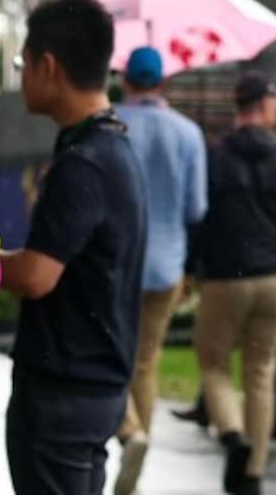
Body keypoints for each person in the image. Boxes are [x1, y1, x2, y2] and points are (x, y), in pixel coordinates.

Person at [0, 0, 148, 495]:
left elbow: (35, 276)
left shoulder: (83, 163)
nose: (22, 76)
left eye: (23, 64)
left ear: (48, 66)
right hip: (94, 385)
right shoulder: (114, 147)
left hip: (63, 389)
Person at [191, 72, 276, 495]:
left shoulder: (215, 158)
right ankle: (253, 473)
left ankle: (232, 435)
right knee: (261, 372)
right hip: (275, 280)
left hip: (224, 279)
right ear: (265, 105)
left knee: (214, 364)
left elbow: (199, 218)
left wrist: (193, 268)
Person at [111, 46, 208, 495]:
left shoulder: (112, 124)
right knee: (146, 362)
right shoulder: (188, 133)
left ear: (126, 80)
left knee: (110, 353)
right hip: (167, 265)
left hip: (117, 263)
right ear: (163, 82)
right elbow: (196, 208)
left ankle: (128, 430)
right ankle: (139, 455)